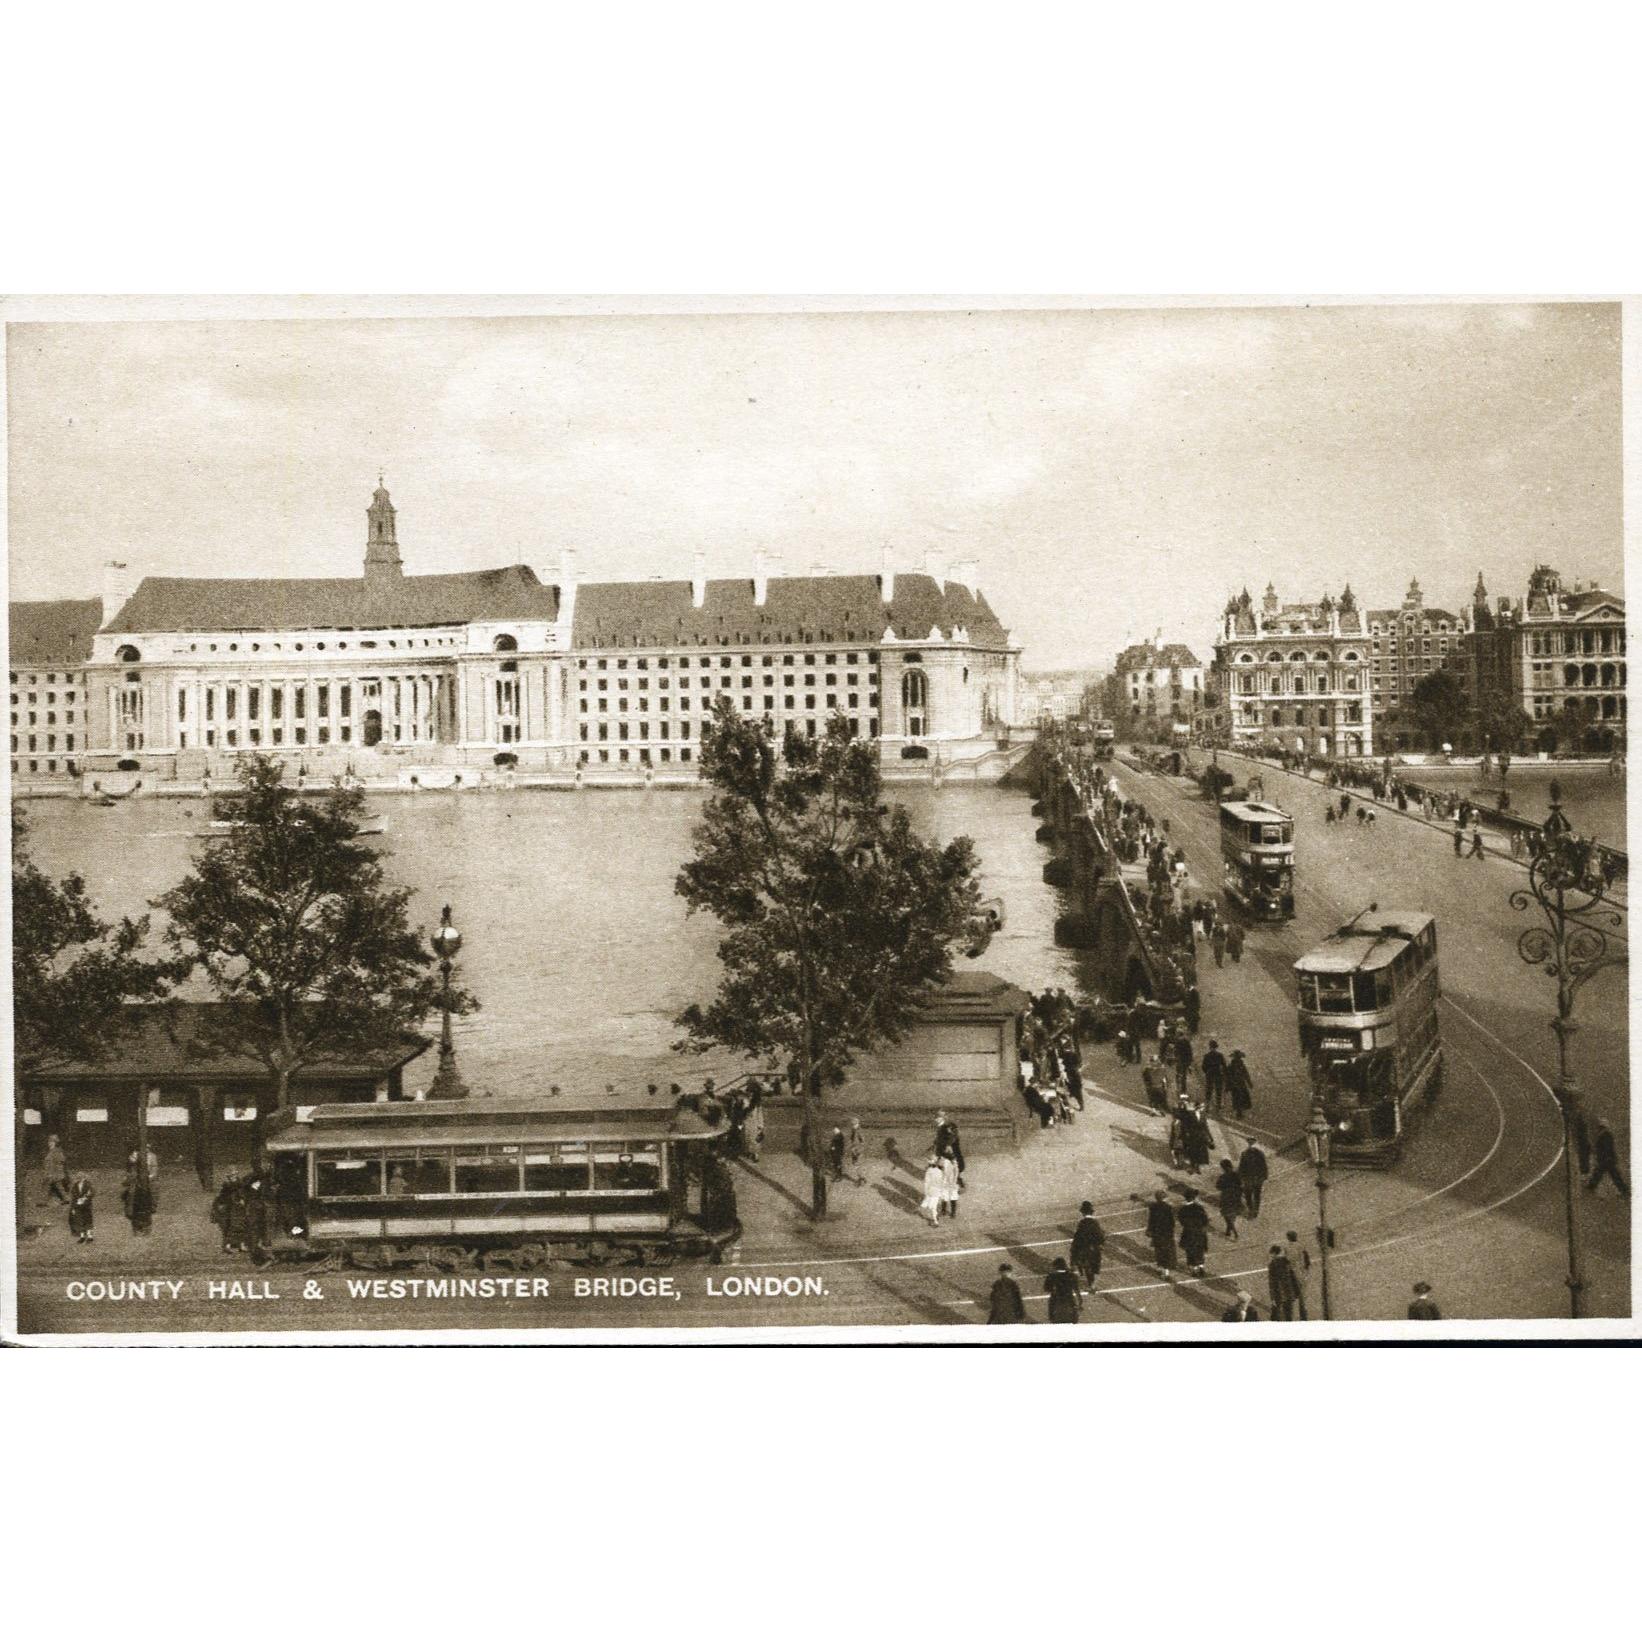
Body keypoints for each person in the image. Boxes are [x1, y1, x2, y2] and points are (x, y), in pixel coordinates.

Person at [1586, 1117, 1629, 1197]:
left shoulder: (1605, 1135)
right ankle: (1591, 1187)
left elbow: (1606, 1148)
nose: (1598, 1128)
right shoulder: (1605, 1134)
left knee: (1609, 1175)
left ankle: (1625, 1191)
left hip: (1606, 1159)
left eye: (1600, 1127)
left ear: (1602, 1127)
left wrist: (1602, 1157)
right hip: (1607, 1159)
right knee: (1607, 1174)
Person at [1070, 1200, 1105, 1286]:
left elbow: (1077, 1238)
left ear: (1083, 1213)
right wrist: (1101, 1244)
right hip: (1095, 1249)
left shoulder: (1082, 1223)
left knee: (1087, 1267)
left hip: (1084, 1249)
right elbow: (1100, 1237)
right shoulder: (1095, 1223)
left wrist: (1074, 1251)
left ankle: (1090, 1283)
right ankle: (1093, 1284)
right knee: (1095, 1266)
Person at [1178, 1188, 1211, 1277]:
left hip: (1188, 1232)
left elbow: (1182, 1222)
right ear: (1194, 1198)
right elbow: (1205, 1220)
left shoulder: (1182, 1210)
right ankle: (1201, 1267)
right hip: (1199, 1232)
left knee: (1190, 1251)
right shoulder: (1199, 1207)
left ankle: (1194, 1269)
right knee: (1200, 1250)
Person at [1267, 1243, 1303, 1321]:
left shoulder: (1272, 1265)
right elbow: (1293, 1277)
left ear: (1273, 1253)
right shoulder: (1286, 1261)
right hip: (1289, 1292)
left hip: (1279, 1293)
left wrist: (1272, 1297)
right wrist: (1297, 1291)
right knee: (1289, 1314)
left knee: (1278, 1315)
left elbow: (1272, 1283)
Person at [1145, 1189, 1177, 1276]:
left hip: (1156, 1232)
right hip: (1166, 1233)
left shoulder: (1153, 1207)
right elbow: (1172, 1222)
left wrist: (1149, 1229)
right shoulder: (1168, 1207)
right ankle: (1166, 1270)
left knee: (1158, 1250)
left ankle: (1160, 1266)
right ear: (1164, 1198)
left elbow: (1151, 1220)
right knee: (1166, 1251)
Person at [1043, 1257, 1083, 1323]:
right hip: (1069, 1299)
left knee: (1053, 1316)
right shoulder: (1072, 1275)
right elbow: (1077, 1291)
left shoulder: (1051, 1276)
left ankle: (1052, 1317)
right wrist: (1080, 1304)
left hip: (1056, 1299)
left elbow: (1046, 1289)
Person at [1284, 1229, 1313, 1319]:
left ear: (1288, 1238)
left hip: (1292, 1272)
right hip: (1301, 1272)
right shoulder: (1301, 1246)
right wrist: (1306, 1269)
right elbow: (1307, 1259)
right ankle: (1303, 1313)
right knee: (1302, 1294)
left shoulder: (1287, 1247)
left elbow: (1286, 1260)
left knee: (1293, 1293)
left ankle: (1292, 1314)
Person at [933, 1110, 966, 1185]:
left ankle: (958, 1182)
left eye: (938, 1118)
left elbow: (952, 1137)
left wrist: (948, 1145)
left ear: (943, 1118)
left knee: (953, 1166)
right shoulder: (941, 1126)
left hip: (950, 1149)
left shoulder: (948, 1126)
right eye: (936, 1118)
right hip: (943, 1149)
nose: (936, 1120)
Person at [1237, 1137, 1268, 1216]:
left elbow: (1263, 1165)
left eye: (1252, 1142)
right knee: (1251, 1194)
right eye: (1250, 1142)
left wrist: (1264, 1175)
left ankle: (1254, 1210)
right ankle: (1253, 1209)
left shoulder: (1256, 1153)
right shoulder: (1245, 1153)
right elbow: (1241, 1166)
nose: (1251, 1145)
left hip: (1252, 1178)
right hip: (1252, 1178)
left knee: (1253, 1194)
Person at [1216, 1158, 1243, 1239]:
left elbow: (1218, 1186)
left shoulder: (1223, 1176)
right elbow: (1241, 1183)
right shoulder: (1236, 1175)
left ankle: (1233, 1231)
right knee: (1232, 1213)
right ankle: (1229, 1228)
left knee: (1226, 1213)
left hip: (1226, 1196)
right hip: (1235, 1196)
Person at [68, 1172, 95, 1243]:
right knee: (80, 1222)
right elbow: (73, 1197)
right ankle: (82, 1237)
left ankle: (90, 1237)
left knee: (88, 1221)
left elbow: (92, 1193)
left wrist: (84, 1199)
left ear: (84, 1177)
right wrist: (73, 1207)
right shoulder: (75, 1185)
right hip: (78, 1206)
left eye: (81, 1177)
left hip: (87, 1206)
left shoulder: (88, 1184)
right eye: (78, 1177)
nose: (79, 1178)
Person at [1226, 1050, 1254, 1120]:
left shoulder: (1231, 1065)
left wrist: (1228, 1086)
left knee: (1236, 1097)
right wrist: (1249, 1083)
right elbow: (1246, 1074)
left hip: (1234, 1084)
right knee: (1242, 1097)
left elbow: (1227, 1076)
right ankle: (1240, 1112)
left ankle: (1239, 1112)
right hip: (1240, 1083)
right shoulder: (1240, 1065)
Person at [1202, 1040, 1227, 1112]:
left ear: (1210, 1047)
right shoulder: (1220, 1055)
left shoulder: (1207, 1055)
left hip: (1210, 1074)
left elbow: (1203, 1066)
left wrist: (1207, 1072)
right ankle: (1218, 1106)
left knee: (1209, 1090)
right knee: (1218, 1090)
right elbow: (1224, 1065)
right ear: (1216, 1047)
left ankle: (1207, 1106)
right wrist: (1224, 1074)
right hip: (1218, 1074)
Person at [920, 1156, 945, 1226]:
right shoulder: (940, 1172)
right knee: (933, 1206)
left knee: (931, 1206)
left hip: (931, 1191)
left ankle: (935, 1220)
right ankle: (935, 1217)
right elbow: (942, 1183)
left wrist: (926, 1192)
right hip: (937, 1191)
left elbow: (926, 1182)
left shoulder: (929, 1171)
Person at [938, 1147, 962, 1219]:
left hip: (951, 1182)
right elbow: (940, 1167)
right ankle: (944, 1211)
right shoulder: (944, 1161)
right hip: (945, 1181)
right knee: (945, 1197)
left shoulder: (953, 1162)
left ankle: (952, 1212)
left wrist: (954, 1181)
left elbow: (956, 1172)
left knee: (952, 1197)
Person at [1173, 1031, 1194, 1096]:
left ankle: (1177, 1087)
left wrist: (1175, 1057)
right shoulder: (1187, 1041)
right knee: (1184, 1076)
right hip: (1186, 1061)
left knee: (1178, 1074)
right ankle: (1183, 1090)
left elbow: (1175, 1051)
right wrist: (1190, 1062)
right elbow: (1190, 1052)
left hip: (1180, 1060)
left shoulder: (1177, 1041)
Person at [846, 1117, 867, 1186]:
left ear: (857, 1123)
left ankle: (861, 1180)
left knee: (857, 1165)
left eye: (853, 1124)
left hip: (857, 1152)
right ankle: (862, 1179)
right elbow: (853, 1140)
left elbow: (863, 1142)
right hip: (854, 1151)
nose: (852, 1126)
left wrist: (858, 1151)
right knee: (856, 1165)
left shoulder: (859, 1131)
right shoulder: (854, 1130)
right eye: (852, 1124)